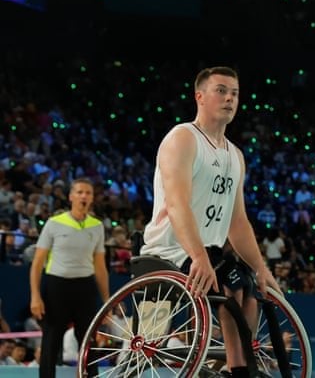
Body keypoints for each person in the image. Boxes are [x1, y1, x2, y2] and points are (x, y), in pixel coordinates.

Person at [139, 66, 280, 378]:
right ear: (199, 96)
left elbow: (238, 222)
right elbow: (177, 204)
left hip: (210, 253)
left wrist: (262, 269)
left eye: (234, 93)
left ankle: (238, 367)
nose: (229, 98)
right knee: (232, 281)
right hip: (171, 249)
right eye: (221, 90)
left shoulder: (235, 156)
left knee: (248, 284)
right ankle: (239, 368)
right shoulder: (183, 138)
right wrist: (198, 255)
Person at [29, 177, 108, 378]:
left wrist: (107, 301)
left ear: (92, 198)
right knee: (51, 342)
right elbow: (37, 263)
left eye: (88, 193)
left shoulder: (97, 226)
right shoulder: (54, 223)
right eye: (80, 192)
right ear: (71, 196)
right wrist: (35, 296)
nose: (84, 196)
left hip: (85, 287)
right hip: (57, 286)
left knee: (88, 341)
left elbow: (100, 267)